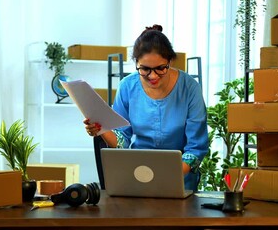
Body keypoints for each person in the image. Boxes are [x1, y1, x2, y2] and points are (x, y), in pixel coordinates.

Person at [83, 24, 208, 190]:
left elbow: (196, 148)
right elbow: (122, 140)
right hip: (137, 177)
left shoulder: (190, 88)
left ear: (170, 61)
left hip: (180, 180)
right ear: (136, 63)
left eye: (160, 68)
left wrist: (168, 176)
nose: (153, 76)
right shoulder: (127, 86)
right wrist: (101, 129)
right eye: (145, 69)